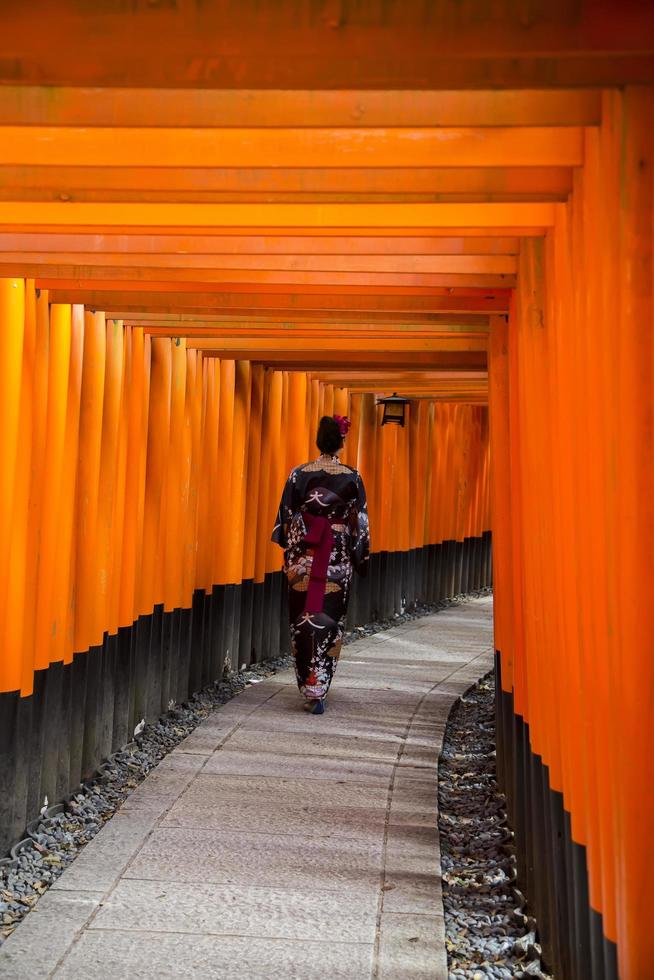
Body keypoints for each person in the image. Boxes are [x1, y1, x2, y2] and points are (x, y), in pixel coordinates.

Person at [271, 415, 370, 714]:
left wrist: (294, 549)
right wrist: (359, 555)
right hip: (336, 561)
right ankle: (321, 685)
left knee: (302, 620)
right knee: (331, 620)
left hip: (304, 558)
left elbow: (286, 521)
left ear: (318, 441)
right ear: (342, 441)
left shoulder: (298, 475)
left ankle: (308, 685)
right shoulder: (352, 477)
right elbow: (359, 523)